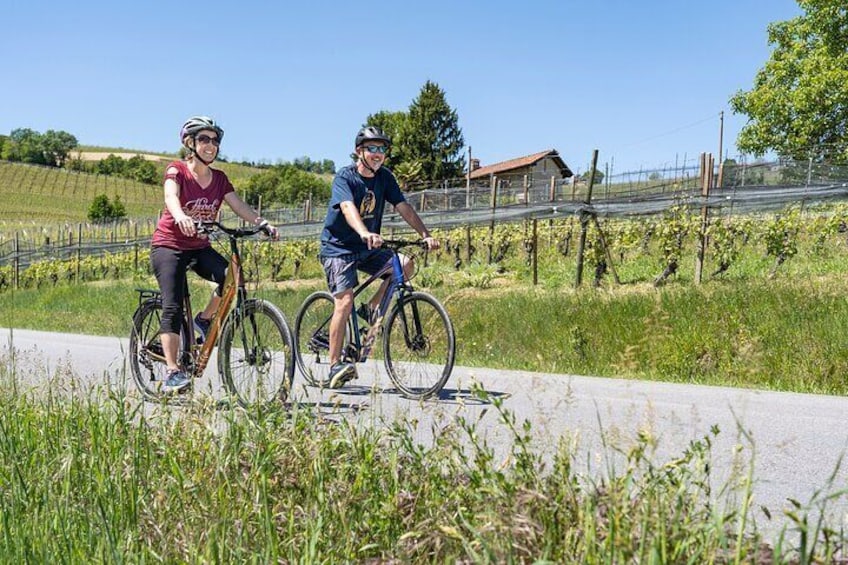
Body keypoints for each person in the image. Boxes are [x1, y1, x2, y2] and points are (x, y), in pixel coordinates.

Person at [150, 116, 278, 393]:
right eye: (204, 139)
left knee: (233, 278)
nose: (211, 145)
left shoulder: (219, 179)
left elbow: (238, 205)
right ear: (190, 143)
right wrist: (181, 215)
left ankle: (204, 320)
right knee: (172, 306)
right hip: (169, 245)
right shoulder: (177, 171)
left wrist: (261, 223)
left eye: (215, 140)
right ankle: (173, 371)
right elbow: (171, 197)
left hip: (199, 246)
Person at [319, 125, 440, 389]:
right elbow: (348, 207)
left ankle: (372, 307)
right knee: (345, 300)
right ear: (358, 151)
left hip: (368, 247)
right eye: (371, 148)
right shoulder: (344, 177)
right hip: (339, 248)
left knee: (405, 264)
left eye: (382, 149)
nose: (377, 153)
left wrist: (425, 234)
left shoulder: (385, 177)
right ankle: (333, 366)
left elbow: (403, 207)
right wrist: (364, 232)